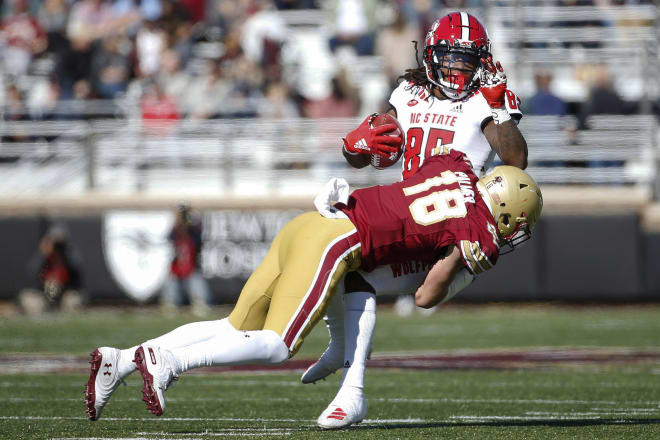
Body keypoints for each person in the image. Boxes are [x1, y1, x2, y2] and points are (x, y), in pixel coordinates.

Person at [84, 152, 543, 422]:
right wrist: (466, 264)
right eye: (518, 222)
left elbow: (407, 179)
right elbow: (425, 295)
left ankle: (121, 361)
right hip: (338, 240)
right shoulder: (479, 230)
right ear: (504, 211)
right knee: (279, 346)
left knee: (231, 328)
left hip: (311, 221)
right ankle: (170, 361)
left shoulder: (457, 165)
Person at [303, 11, 529, 428]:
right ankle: (344, 357)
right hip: (407, 210)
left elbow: (516, 162)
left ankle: (352, 382)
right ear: (431, 54)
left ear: (481, 61)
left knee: (387, 281)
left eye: (467, 59)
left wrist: (498, 108)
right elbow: (367, 153)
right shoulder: (408, 92)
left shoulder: (486, 98)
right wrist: (354, 145)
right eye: (452, 57)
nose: (459, 67)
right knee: (341, 258)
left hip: (453, 221)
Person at [18, 225, 84, 315]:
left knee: (73, 301)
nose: (57, 246)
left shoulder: (69, 253)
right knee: (29, 299)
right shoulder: (44, 253)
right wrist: (44, 253)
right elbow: (33, 272)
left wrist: (65, 254)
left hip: (66, 292)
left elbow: (77, 269)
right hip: (43, 292)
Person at [160, 203, 212, 317]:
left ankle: (200, 304)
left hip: (192, 264)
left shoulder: (194, 230)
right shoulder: (175, 230)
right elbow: (170, 237)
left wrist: (191, 216)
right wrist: (177, 218)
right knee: (171, 283)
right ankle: (170, 304)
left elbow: (199, 237)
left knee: (196, 281)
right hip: (177, 265)